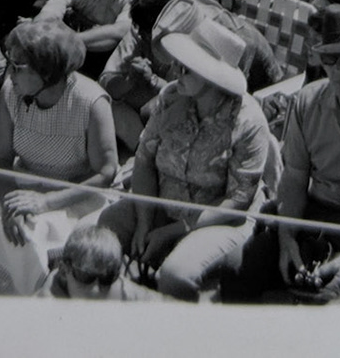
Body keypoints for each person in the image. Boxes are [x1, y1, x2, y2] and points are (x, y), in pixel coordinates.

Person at [102, 20, 277, 300]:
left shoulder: (248, 121)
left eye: (185, 68)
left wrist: (173, 231)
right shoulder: (171, 97)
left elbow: (238, 200)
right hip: (163, 201)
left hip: (220, 219)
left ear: (211, 78)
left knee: (176, 275)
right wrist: (145, 222)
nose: (174, 73)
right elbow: (145, 160)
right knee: (95, 238)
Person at [0, 19, 120, 295]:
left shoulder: (91, 101)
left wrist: (46, 201)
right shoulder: (11, 92)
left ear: (46, 72)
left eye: (18, 67)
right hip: (21, 184)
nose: (9, 73)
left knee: (37, 242)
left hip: (75, 194)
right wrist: (10, 208)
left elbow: (106, 172)